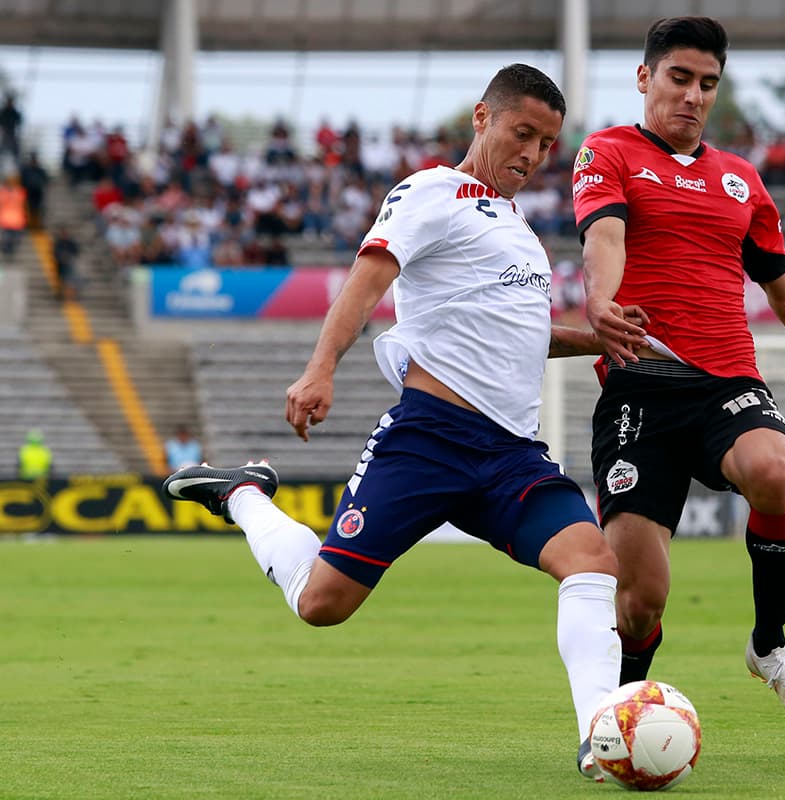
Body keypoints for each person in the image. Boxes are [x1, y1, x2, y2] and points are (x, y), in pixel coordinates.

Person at [163, 64, 635, 782]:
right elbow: (368, 278)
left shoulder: (520, 233)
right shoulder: (430, 193)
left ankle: (603, 737)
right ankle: (242, 493)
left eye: (546, 144)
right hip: (429, 441)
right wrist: (320, 368)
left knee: (592, 560)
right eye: (523, 133)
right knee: (322, 604)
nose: (533, 154)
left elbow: (523, 333)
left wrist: (605, 338)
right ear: (482, 118)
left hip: (511, 455)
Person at [572, 16, 785, 730]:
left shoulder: (740, 179)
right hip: (640, 389)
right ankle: (617, 718)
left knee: (773, 468)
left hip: (727, 381)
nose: (694, 96)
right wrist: (602, 304)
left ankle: (768, 646)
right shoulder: (605, 152)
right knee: (639, 601)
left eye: (708, 84)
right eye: (680, 78)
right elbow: (604, 234)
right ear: (645, 77)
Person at [51, 224, 81, 301]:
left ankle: (71, 295)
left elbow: (76, 251)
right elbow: (54, 253)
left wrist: (69, 257)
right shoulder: (58, 242)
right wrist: (62, 257)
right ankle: (61, 294)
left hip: (69, 265)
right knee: (61, 280)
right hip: (60, 265)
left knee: (71, 281)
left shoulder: (71, 242)